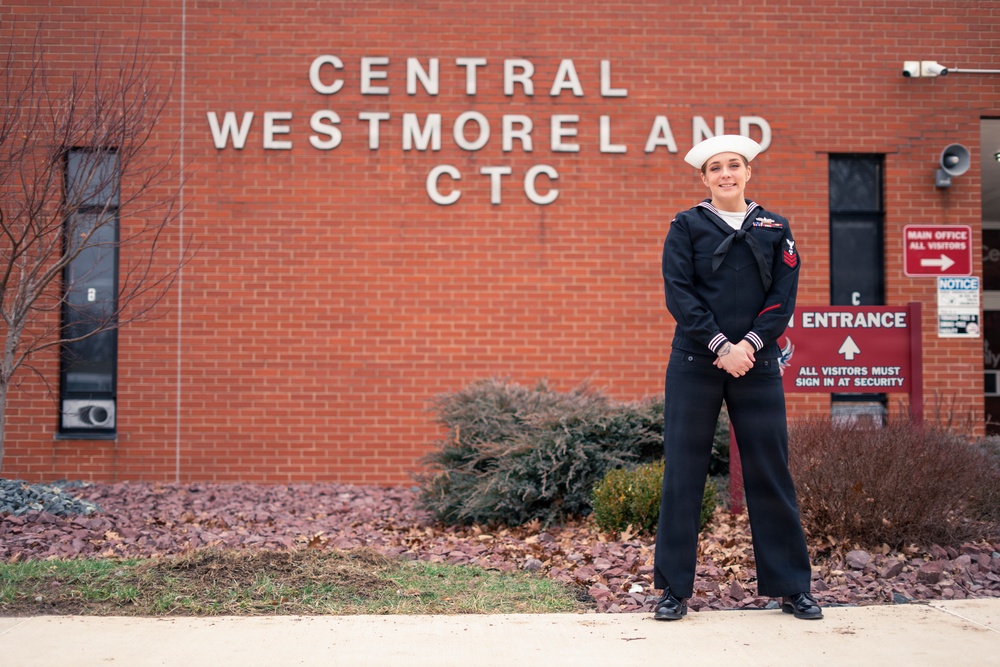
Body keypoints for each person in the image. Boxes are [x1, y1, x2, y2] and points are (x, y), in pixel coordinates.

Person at [652, 134, 822, 621]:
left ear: (748, 173)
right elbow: (680, 293)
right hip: (695, 364)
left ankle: (792, 587)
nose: (726, 174)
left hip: (758, 363)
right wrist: (719, 346)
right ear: (703, 179)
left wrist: (748, 345)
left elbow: (782, 297)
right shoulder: (685, 226)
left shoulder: (775, 227)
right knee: (683, 474)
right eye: (715, 168)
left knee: (771, 472)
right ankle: (674, 589)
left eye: (734, 166)